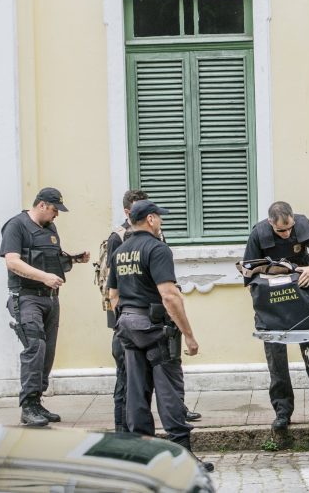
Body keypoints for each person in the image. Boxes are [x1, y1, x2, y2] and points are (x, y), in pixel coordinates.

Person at [107, 200, 212, 472]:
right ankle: (183, 457)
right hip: (155, 327)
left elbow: (113, 296)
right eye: (159, 218)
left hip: (127, 325)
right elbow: (169, 295)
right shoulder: (157, 248)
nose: (161, 222)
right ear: (151, 220)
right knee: (170, 393)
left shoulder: (120, 251)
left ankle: (142, 458)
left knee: (136, 393)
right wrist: (189, 335)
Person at [0, 187, 90, 427]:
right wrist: (43, 277)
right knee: (35, 349)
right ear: (41, 205)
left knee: (47, 352)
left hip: (50, 298)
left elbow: (51, 258)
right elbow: (12, 262)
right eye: (54, 209)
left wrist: (73, 259)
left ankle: (37, 401)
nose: (56, 215)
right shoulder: (16, 226)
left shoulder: (50, 229)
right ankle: (27, 406)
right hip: (26, 298)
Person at [243, 201, 309, 430]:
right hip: (272, 303)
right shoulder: (258, 234)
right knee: (277, 361)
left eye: (289, 228)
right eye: (280, 231)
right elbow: (247, 272)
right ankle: (283, 412)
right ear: (270, 224)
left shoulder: (304, 225)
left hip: (302, 299)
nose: (286, 234)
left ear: (294, 219)